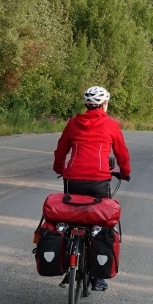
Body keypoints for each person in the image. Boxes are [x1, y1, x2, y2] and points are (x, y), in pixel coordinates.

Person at [52, 86, 131, 291]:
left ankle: (67, 264)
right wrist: (125, 172)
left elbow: (61, 150)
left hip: (73, 181)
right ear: (105, 104)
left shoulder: (72, 123)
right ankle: (98, 276)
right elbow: (122, 153)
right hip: (99, 182)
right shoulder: (111, 125)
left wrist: (59, 168)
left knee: (69, 220)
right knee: (102, 226)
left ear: (86, 105)